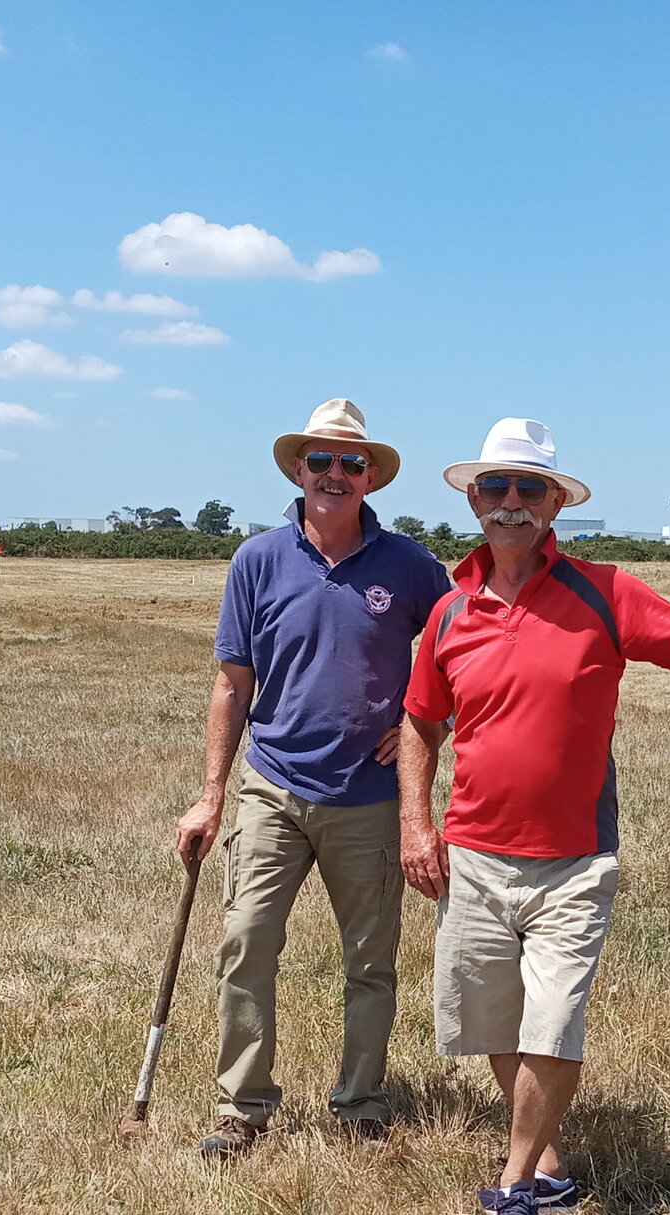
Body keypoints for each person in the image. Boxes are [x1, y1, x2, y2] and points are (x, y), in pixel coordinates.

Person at [398, 418, 670, 1215]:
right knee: (492, 1023)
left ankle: (517, 1187)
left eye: (530, 488)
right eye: (496, 487)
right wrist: (417, 822)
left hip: (573, 863)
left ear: (556, 503)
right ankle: (549, 1156)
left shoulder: (604, 591)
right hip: (473, 856)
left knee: (552, 1022)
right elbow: (419, 723)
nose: (511, 503)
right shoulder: (450, 613)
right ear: (473, 500)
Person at [176, 398, 452, 1158]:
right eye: (321, 461)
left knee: (370, 962)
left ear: (371, 478)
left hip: (369, 798)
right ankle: (243, 1107)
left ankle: (361, 1101)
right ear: (299, 469)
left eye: (351, 463)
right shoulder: (257, 560)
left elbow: (464, 646)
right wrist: (210, 797)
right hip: (272, 787)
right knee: (245, 941)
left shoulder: (410, 566)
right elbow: (233, 686)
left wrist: (427, 722)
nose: (335, 474)